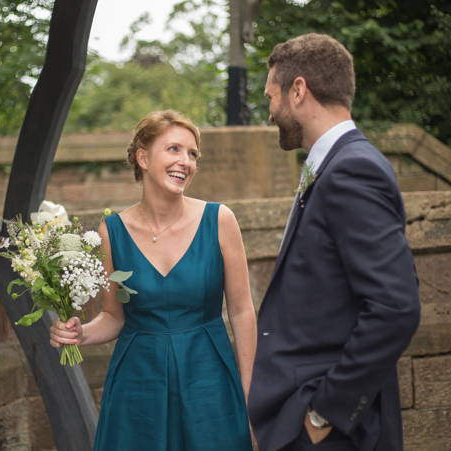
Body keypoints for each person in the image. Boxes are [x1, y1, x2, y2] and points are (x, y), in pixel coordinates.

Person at [248, 33, 421, 451]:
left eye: (272, 97)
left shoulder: (351, 170)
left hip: (335, 433)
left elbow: (396, 307)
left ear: (299, 90)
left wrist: (322, 415)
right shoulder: (332, 165)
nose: (270, 114)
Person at [50, 110, 256, 451]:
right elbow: (115, 316)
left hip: (208, 382)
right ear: (143, 158)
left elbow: (242, 311)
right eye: (174, 149)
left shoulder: (219, 220)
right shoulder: (111, 232)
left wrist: (251, 394)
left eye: (192, 154)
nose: (186, 162)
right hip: (137, 387)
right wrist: (80, 332)